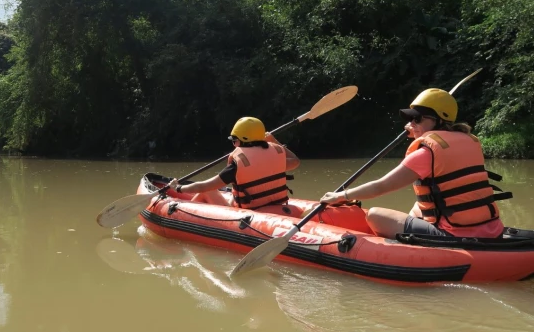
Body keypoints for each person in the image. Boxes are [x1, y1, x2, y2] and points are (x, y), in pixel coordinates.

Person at [320, 88, 512, 239]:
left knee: (374, 215)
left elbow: (381, 186)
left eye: (417, 118)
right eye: (410, 119)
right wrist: (418, 128)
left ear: (437, 121)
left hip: (454, 234)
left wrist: (340, 196)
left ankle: (405, 250)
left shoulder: (426, 153)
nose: (411, 123)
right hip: (491, 229)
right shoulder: (469, 141)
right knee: (418, 206)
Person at [168, 116, 301, 209]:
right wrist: (273, 139)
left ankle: (182, 214)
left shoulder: (238, 163)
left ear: (243, 140)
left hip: (248, 211)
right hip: (275, 206)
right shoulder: (275, 155)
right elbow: (295, 161)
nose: (233, 144)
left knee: (208, 191)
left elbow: (203, 187)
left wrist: (178, 188)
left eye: (234, 140)